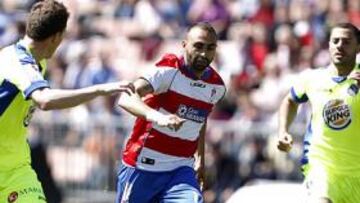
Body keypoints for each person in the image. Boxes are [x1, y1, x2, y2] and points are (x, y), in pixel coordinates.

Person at [0, 1, 132, 202]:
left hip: (16, 170)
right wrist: (99, 89)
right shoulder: (17, 61)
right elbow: (44, 99)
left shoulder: (38, 62)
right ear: (57, 37)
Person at [116, 22, 226, 203]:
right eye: (198, 46)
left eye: (210, 48)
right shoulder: (168, 71)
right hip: (143, 165)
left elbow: (200, 118)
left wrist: (200, 158)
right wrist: (160, 118)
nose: (204, 54)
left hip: (181, 169)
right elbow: (126, 98)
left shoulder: (216, 87)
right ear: (184, 45)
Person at [277, 22, 360, 203]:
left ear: (358, 46)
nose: (339, 45)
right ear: (328, 45)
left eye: (346, 41)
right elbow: (289, 101)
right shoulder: (312, 78)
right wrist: (283, 131)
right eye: (335, 41)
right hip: (321, 167)